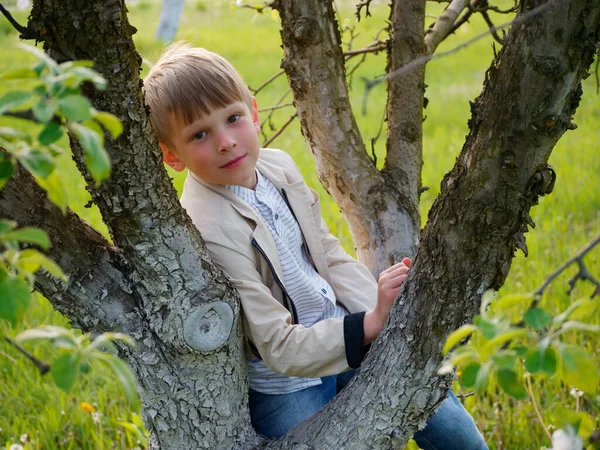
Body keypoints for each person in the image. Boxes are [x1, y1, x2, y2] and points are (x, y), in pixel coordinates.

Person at [143, 42, 488, 449]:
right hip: (289, 382)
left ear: (253, 113)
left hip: (345, 332)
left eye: (233, 119)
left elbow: (328, 254)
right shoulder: (209, 223)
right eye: (199, 134)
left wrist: (379, 319)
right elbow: (274, 344)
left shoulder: (277, 167)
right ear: (172, 156)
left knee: (456, 434)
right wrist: (367, 325)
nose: (225, 142)